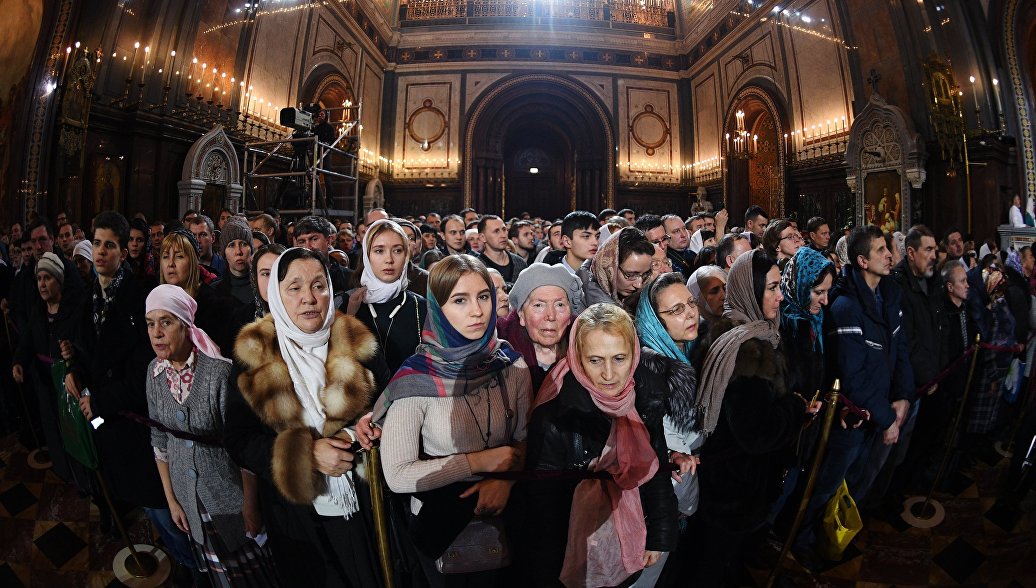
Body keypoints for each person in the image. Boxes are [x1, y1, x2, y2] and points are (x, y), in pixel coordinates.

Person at [225, 247, 387, 587]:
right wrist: (306, 454)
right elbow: (239, 440)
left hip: (366, 505)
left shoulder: (358, 341)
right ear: (275, 296)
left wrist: (354, 436)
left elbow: (390, 405)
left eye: (318, 285)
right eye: (294, 288)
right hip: (296, 517)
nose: (309, 298)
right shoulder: (254, 357)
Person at [370, 254, 532, 586]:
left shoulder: (510, 365)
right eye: (460, 300)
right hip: (443, 529)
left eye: (483, 296)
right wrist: (482, 461)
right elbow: (398, 476)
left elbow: (525, 438)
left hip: (506, 520)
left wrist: (506, 480)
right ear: (438, 308)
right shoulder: (416, 379)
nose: (477, 310)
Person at [64, 212, 195, 573]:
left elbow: (145, 371)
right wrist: (75, 370)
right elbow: (84, 348)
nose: (101, 251)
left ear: (124, 252)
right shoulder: (92, 293)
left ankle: (191, 566)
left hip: (135, 420)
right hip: (105, 418)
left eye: (110, 245)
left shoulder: (141, 297)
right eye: (97, 243)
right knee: (124, 489)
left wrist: (101, 399)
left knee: (159, 505)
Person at [524, 303, 678, 587]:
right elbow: (543, 511)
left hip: (628, 543)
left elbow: (655, 471)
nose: (609, 374)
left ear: (634, 356)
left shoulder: (644, 399)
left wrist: (658, 535)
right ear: (577, 358)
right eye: (595, 360)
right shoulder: (556, 414)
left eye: (619, 358)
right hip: (573, 556)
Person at [690, 250, 820, 586]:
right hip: (734, 487)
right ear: (750, 290)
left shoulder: (755, 332)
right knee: (713, 565)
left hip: (739, 483)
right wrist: (794, 408)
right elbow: (756, 433)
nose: (781, 296)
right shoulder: (745, 350)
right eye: (772, 288)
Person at [794, 225, 914, 566]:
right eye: (881, 250)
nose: (890, 255)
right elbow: (853, 375)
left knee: (857, 482)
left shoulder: (889, 294)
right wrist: (888, 417)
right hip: (855, 418)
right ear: (862, 260)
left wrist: (904, 396)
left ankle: (834, 536)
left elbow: (899, 347)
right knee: (828, 485)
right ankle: (803, 542)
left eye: (888, 248)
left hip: (879, 411)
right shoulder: (846, 306)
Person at [144, 284, 276, 585]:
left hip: (229, 498)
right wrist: (173, 500)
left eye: (166, 321)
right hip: (188, 499)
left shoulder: (220, 372)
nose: (156, 333)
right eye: (150, 324)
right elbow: (159, 443)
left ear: (186, 325)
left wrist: (250, 504)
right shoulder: (153, 373)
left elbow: (244, 448)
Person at [11, 252, 90, 487]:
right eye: (39, 279)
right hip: (44, 381)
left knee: (76, 429)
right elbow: (27, 340)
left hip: (69, 379)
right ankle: (63, 471)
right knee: (52, 428)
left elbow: (84, 342)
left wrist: (72, 352)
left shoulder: (75, 308)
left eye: (48, 278)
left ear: (59, 280)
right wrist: (18, 361)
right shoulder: (39, 309)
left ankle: (84, 478)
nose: (42, 284)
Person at [345, 219, 428, 374]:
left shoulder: (421, 307)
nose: (389, 259)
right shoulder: (346, 306)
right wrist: (349, 318)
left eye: (397, 250)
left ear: (406, 256)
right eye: (379, 251)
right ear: (367, 256)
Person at [497, 262, 585, 391]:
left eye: (559, 305)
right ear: (521, 315)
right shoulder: (500, 355)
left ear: (569, 316)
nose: (550, 316)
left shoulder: (584, 349)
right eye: (539, 305)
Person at [160, 229, 231, 352]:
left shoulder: (213, 305)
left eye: (179, 256)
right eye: (165, 257)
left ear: (194, 261)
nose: (170, 263)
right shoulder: (156, 304)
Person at [578, 226, 655, 307]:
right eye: (631, 275)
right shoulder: (603, 310)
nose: (639, 285)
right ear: (609, 266)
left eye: (645, 274)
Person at [215, 216, 255, 307]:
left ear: (251, 249)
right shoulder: (214, 291)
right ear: (224, 253)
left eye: (244, 244)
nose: (238, 252)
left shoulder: (264, 288)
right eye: (231, 245)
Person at [477, 215, 528, 285]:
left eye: (504, 230)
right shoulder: (477, 267)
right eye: (496, 231)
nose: (503, 235)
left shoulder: (520, 262)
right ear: (482, 237)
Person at [560, 211, 600, 275]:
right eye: (586, 236)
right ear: (567, 241)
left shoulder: (603, 276)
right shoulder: (550, 277)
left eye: (597, 237)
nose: (595, 242)